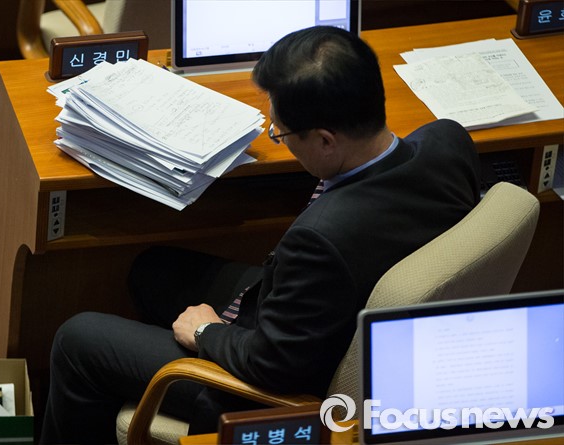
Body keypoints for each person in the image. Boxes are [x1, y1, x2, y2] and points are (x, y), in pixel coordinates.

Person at [40, 26, 481, 444]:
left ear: (326, 141)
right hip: (337, 313)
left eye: (282, 132)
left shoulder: (320, 239)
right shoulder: (447, 141)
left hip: (280, 383)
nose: (277, 138)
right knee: (153, 270)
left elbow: (273, 365)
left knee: (77, 340)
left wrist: (207, 332)